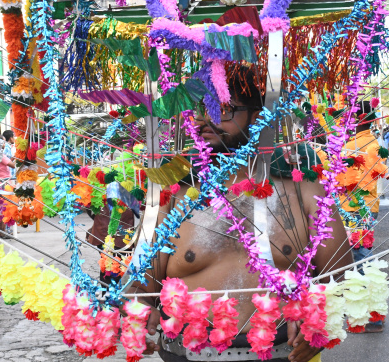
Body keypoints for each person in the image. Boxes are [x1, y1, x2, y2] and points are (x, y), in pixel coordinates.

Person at [138, 66, 353, 362]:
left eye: (224, 108)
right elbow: (141, 284)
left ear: (256, 115)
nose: (207, 119)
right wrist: (138, 314)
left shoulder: (303, 191)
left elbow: (339, 276)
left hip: (282, 353)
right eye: (199, 108)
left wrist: (316, 316)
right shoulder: (171, 195)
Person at [340, 101, 386, 333]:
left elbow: (340, 178)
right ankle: (373, 313)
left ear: (358, 120)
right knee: (364, 257)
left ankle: (370, 318)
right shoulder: (375, 143)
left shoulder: (353, 145)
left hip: (355, 209)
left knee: (360, 259)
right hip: (368, 206)